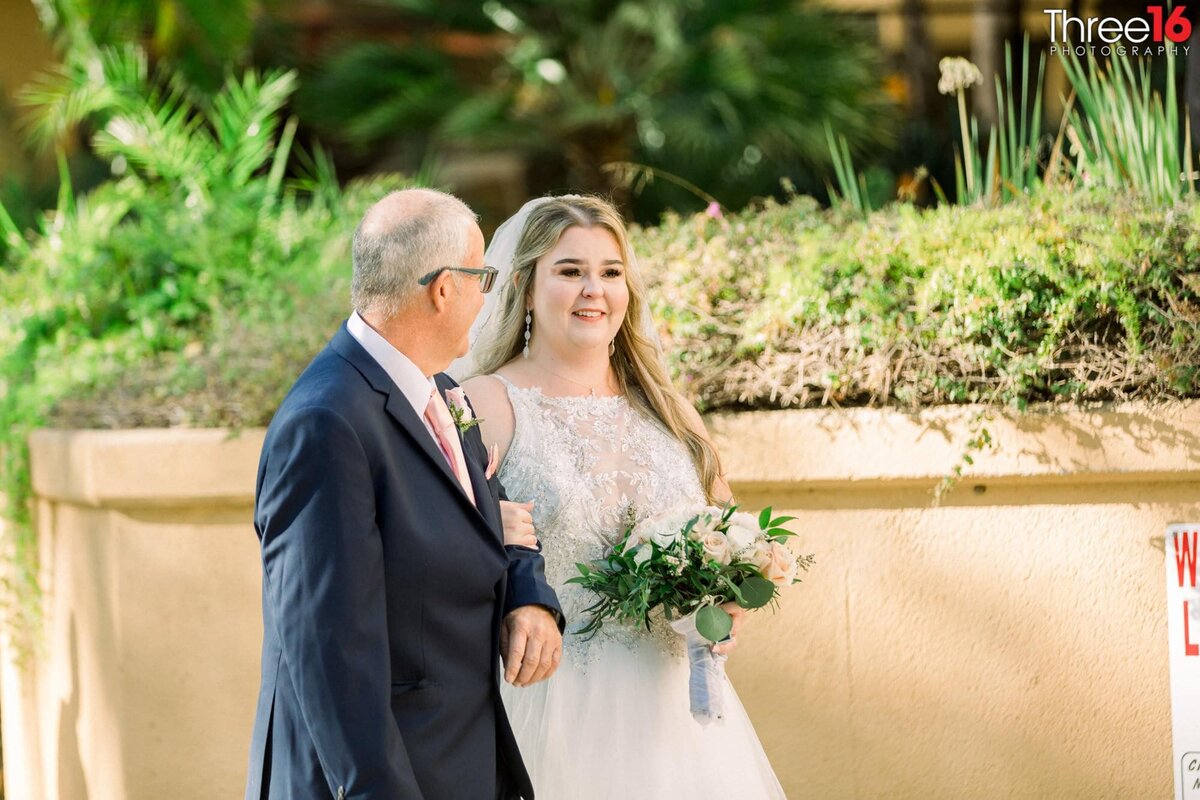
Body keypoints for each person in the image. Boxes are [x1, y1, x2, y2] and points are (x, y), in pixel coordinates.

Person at [458, 195, 786, 798]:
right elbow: (446, 549)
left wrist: (724, 601)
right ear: (526, 288)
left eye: (610, 272)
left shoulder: (670, 414)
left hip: (680, 718)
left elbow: (731, 539)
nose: (594, 290)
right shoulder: (485, 406)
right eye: (569, 271)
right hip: (550, 704)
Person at [245, 188, 564, 800]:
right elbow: (328, 650)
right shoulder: (327, 422)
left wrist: (527, 596)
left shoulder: (440, 391)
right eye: (482, 277)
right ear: (445, 289)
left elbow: (493, 517)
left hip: (457, 756)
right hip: (383, 776)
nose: (486, 295)